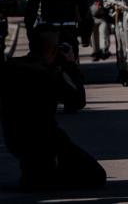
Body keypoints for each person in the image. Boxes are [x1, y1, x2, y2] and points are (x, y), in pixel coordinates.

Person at [1, 26, 106, 192]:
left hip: (13, 138)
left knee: (36, 146)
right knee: (96, 176)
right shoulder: (50, 74)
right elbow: (77, 101)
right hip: (46, 139)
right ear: (56, 49)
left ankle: (35, 173)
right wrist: (70, 65)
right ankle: (45, 175)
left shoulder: (10, 66)